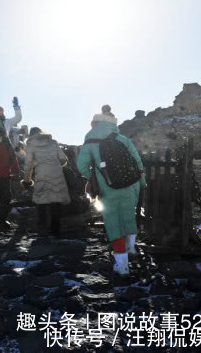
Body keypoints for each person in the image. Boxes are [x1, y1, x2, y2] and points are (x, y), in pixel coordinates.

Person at [76, 105, 146, 276]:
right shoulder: (122, 139)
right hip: (131, 184)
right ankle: (131, 250)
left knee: (114, 221)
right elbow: (138, 163)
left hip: (108, 187)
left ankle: (122, 265)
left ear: (94, 124)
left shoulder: (91, 140)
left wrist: (93, 177)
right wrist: (141, 182)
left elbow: (81, 166)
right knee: (129, 215)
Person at [23, 127, 70, 237]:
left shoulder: (30, 145)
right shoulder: (53, 142)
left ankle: (42, 227)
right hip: (56, 173)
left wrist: (27, 180)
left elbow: (28, 164)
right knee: (56, 200)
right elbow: (64, 159)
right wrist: (57, 165)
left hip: (41, 174)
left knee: (41, 200)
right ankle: (55, 230)